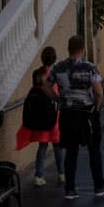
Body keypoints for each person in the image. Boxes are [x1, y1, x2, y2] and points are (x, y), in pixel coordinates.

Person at [51, 34, 104, 200]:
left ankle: (70, 188)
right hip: (87, 113)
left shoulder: (58, 67)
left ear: (69, 49)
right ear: (82, 49)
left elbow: (45, 83)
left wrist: (57, 98)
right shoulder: (89, 67)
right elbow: (99, 92)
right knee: (94, 150)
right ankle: (99, 185)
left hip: (67, 113)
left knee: (71, 150)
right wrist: (97, 109)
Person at [15, 67, 61, 186]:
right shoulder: (50, 90)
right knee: (57, 147)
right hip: (53, 122)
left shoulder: (33, 91)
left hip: (41, 125)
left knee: (42, 147)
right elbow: (58, 101)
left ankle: (39, 175)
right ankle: (62, 173)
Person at [38, 44, 65, 183]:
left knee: (42, 144)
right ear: (54, 59)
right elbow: (58, 92)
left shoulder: (38, 74)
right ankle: (61, 173)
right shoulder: (55, 74)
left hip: (42, 113)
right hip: (54, 112)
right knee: (57, 144)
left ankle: (39, 175)